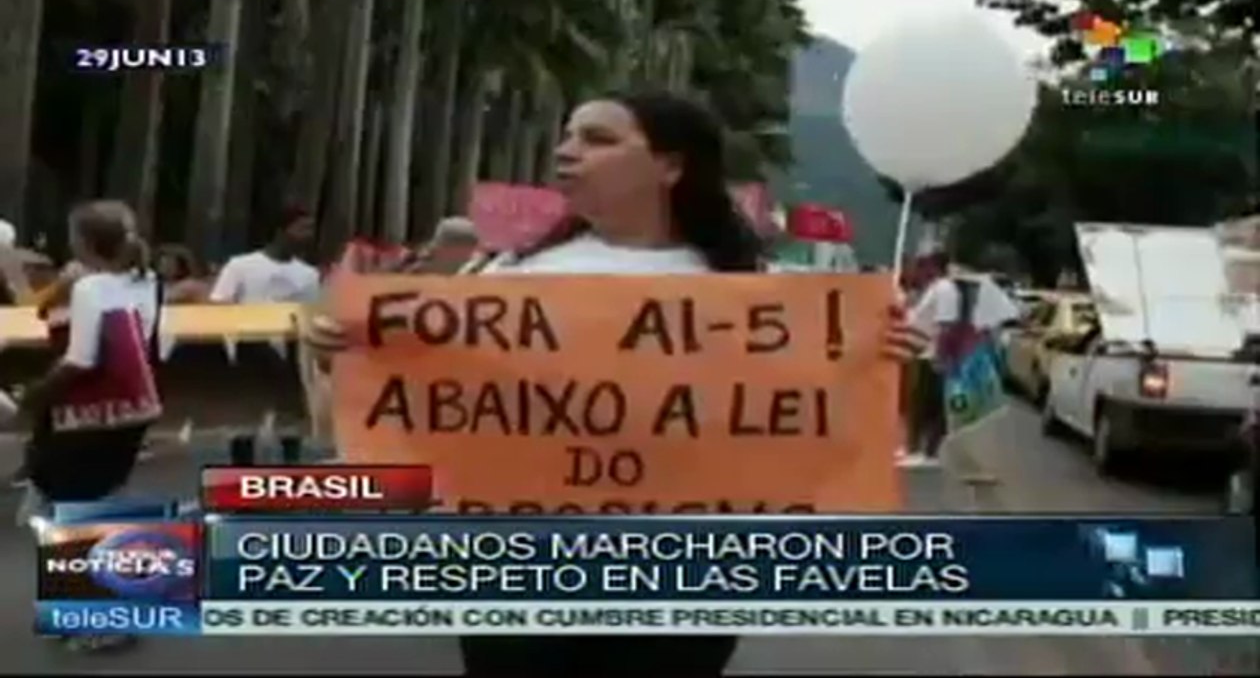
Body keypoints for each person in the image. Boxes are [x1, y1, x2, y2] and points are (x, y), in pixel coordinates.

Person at [299, 90, 929, 677]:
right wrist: (347, 353)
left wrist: (876, 362)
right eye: (567, 136)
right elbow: (430, 412)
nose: (566, 150)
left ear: (670, 166)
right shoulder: (506, 281)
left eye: (597, 138)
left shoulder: (754, 297)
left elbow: (803, 428)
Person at [16, 201, 162, 652]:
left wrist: (33, 394)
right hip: (132, 412)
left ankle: (106, 619)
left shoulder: (91, 288)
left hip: (86, 415)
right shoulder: (148, 281)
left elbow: (80, 360)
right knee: (97, 504)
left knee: (80, 511)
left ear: (84, 242)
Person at [906, 252, 1019, 468]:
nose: (917, 271)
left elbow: (946, 325)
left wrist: (940, 356)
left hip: (932, 355)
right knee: (923, 403)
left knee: (933, 405)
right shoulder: (935, 288)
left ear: (932, 266)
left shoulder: (945, 289)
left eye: (921, 266)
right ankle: (919, 449)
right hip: (924, 353)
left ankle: (930, 451)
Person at [209, 205, 320, 304]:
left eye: (311, 230)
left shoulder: (309, 275)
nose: (308, 236)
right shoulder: (239, 266)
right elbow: (219, 306)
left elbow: (307, 314)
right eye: (302, 229)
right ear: (280, 232)